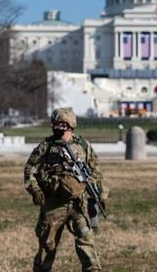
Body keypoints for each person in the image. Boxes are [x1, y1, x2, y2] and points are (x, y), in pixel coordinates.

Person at [24, 107, 107, 272]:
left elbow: (96, 172)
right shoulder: (46, 146)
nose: (57, 127)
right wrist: (35, 190)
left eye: (61, 124)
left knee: (87, 244)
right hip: (54, 205)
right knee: (47, 246)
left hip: (79, 204)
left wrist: (99, 197)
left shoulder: (83, 145)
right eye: (54, 123)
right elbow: (29, 169)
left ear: (70, 125)